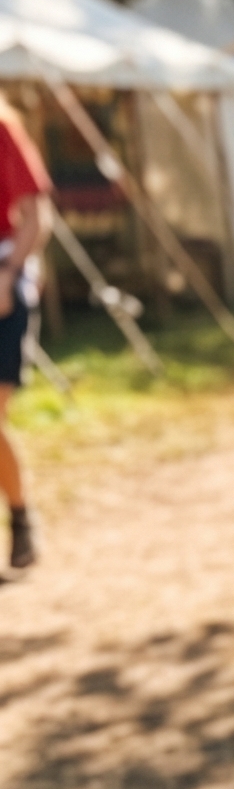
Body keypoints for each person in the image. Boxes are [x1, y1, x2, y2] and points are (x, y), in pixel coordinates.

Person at [0, 93, 50, 573]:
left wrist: (9, 273)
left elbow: (38, 215)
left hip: (4, 283)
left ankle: (20, 516)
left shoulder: (3, 129)